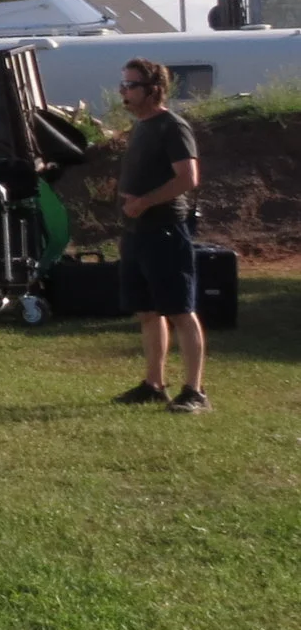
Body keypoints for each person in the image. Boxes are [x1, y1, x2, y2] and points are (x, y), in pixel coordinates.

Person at [112, 59, 208, 413]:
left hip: (165, 229)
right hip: (136, 231)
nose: (123, 91)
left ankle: (195, 391)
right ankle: (154, 384)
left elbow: (188, 178)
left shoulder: (172, 126)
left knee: (180, 310)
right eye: (123, 84)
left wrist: (146, 202)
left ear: (152, 89)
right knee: (147, 311)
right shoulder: (141, 127)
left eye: (130, 85)